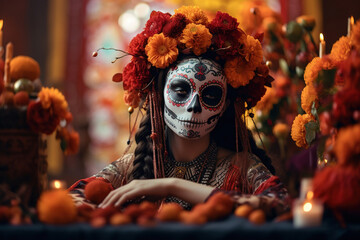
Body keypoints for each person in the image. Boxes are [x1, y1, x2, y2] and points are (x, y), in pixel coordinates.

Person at [69, 6, 289, 217]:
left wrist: (171, 185)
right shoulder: (132, 167)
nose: (194, 106)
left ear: (224, 106)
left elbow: (280, 203)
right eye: (180, 90)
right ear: (159, 95)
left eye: (211, 96)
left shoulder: (240, 166)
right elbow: (71, 202)